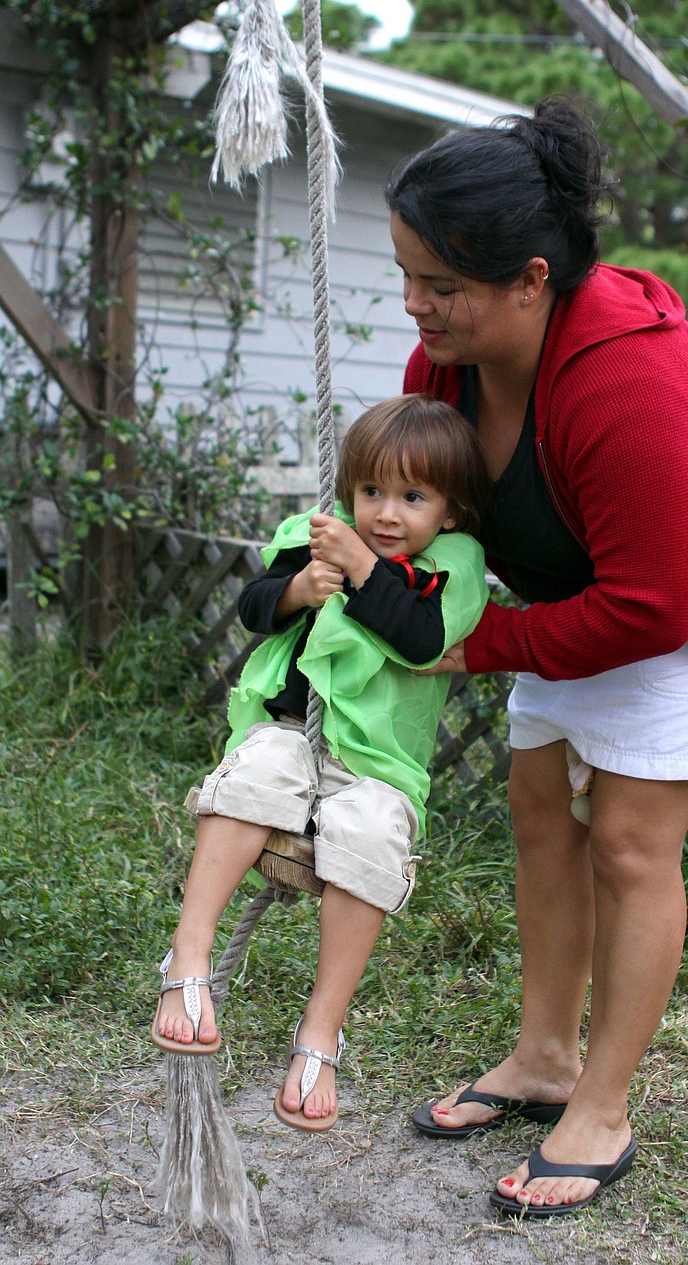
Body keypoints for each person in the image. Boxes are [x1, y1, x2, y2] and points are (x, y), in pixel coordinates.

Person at [386, 97, 688, 1217]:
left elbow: (652, 604)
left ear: (530, 278)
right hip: (597, 591)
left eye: (442, 284)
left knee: (630, 837)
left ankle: (604, 1107)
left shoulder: (624, 375)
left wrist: (480, 647)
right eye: (408, 275)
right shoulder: (447, 363)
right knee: (540, 800)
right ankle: (542, 1057)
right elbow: (428, 503)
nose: (416, 304)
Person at [151, 394, 489, 1132]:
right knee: (260, 771)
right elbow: (253, 601)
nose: (386, 514)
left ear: (452, 513)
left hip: (377, 762)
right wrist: (298, 589)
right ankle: (189, 956)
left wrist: (364, 566)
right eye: (371, 492)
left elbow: (421, 636)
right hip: (291, 729)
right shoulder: (323, 535)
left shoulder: (452, 567)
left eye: (413, 497)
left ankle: (320, 1028)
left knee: (371, 833)